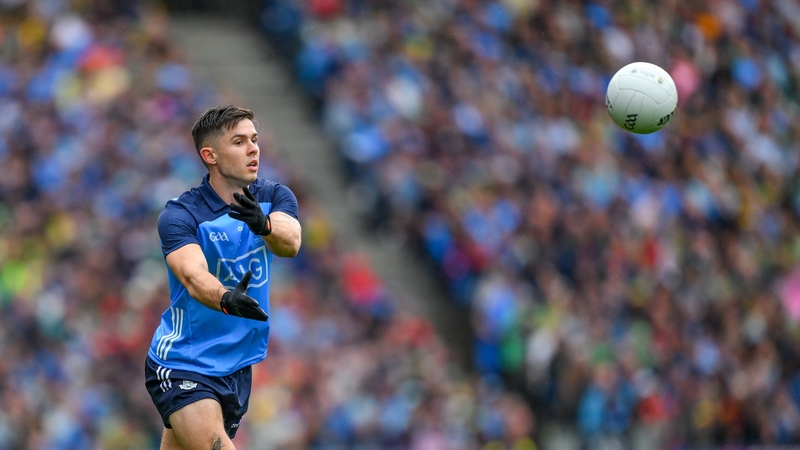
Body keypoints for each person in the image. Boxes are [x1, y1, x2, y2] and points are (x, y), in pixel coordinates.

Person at [144, 105, 302, 450]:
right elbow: (193, 276)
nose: (253, 149)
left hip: (236, 366)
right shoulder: (182, 214)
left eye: (254, 139)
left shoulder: (273, 196)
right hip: (184, 362)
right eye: (239, 142)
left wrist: (265, 224)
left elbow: (291, 243)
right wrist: (226, 298)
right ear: (210, 155)